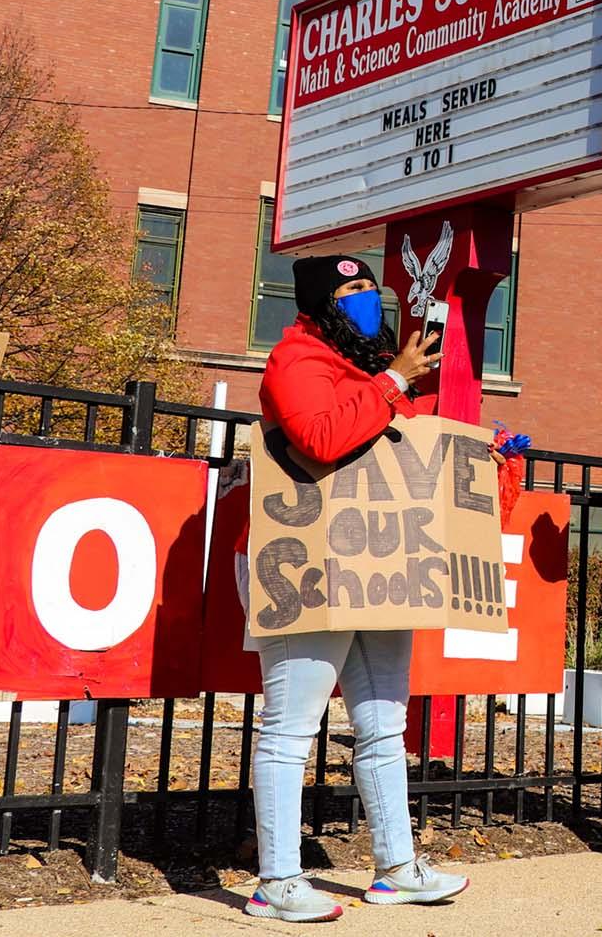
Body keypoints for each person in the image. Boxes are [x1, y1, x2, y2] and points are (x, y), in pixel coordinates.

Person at [244, 254, 468, 923]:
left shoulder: (364, 371)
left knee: (383, 726)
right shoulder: (296, 362)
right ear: (319, 304)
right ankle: (277, 879)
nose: (368, 296)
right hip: (306, 560)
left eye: (372, 285)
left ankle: (396, 867)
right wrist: (396, 377)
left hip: (376, 559)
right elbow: (318, 438)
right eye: (352, 288)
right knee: (290, 730)